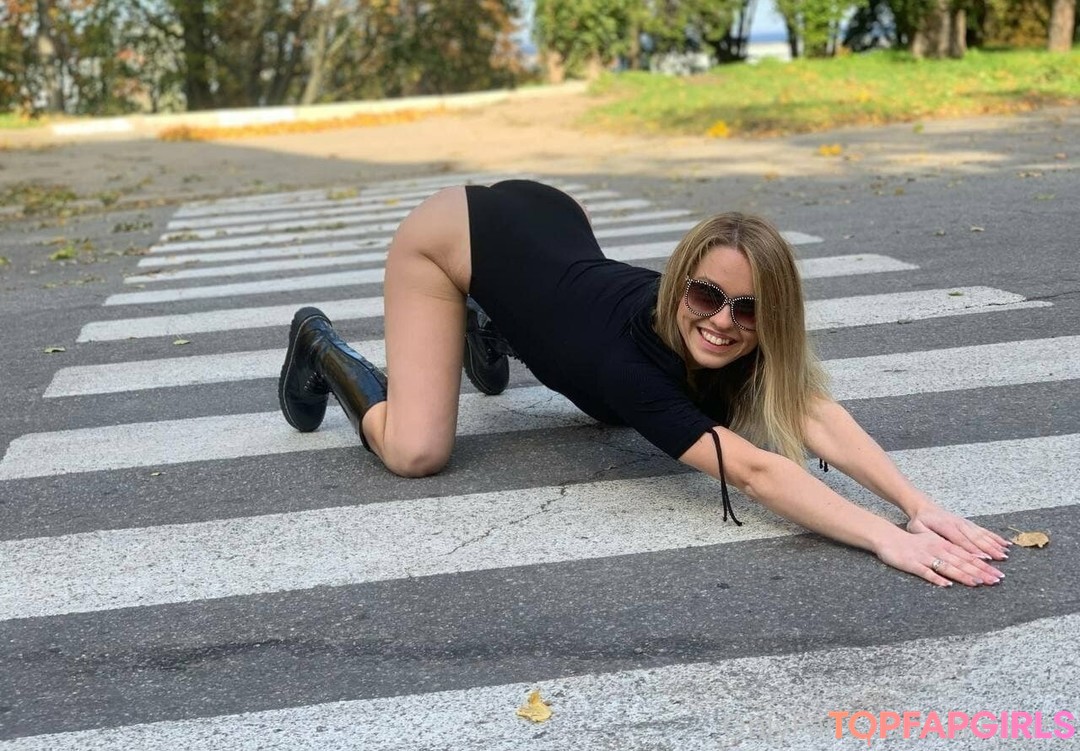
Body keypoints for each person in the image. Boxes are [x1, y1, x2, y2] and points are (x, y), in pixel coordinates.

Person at [278, 179, 1010, 588]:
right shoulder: (631, 367)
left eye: (748, 310)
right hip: (452, 233)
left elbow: (807, 410)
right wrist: (884, 539)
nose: (722, 321)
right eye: (706, 296)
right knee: (416, 450)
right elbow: (755, 470)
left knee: (609, 407)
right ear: (682, 281)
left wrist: (918, 505)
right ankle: (325, 347)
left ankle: (488, 320)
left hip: (553, 222)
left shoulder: (714, 320)